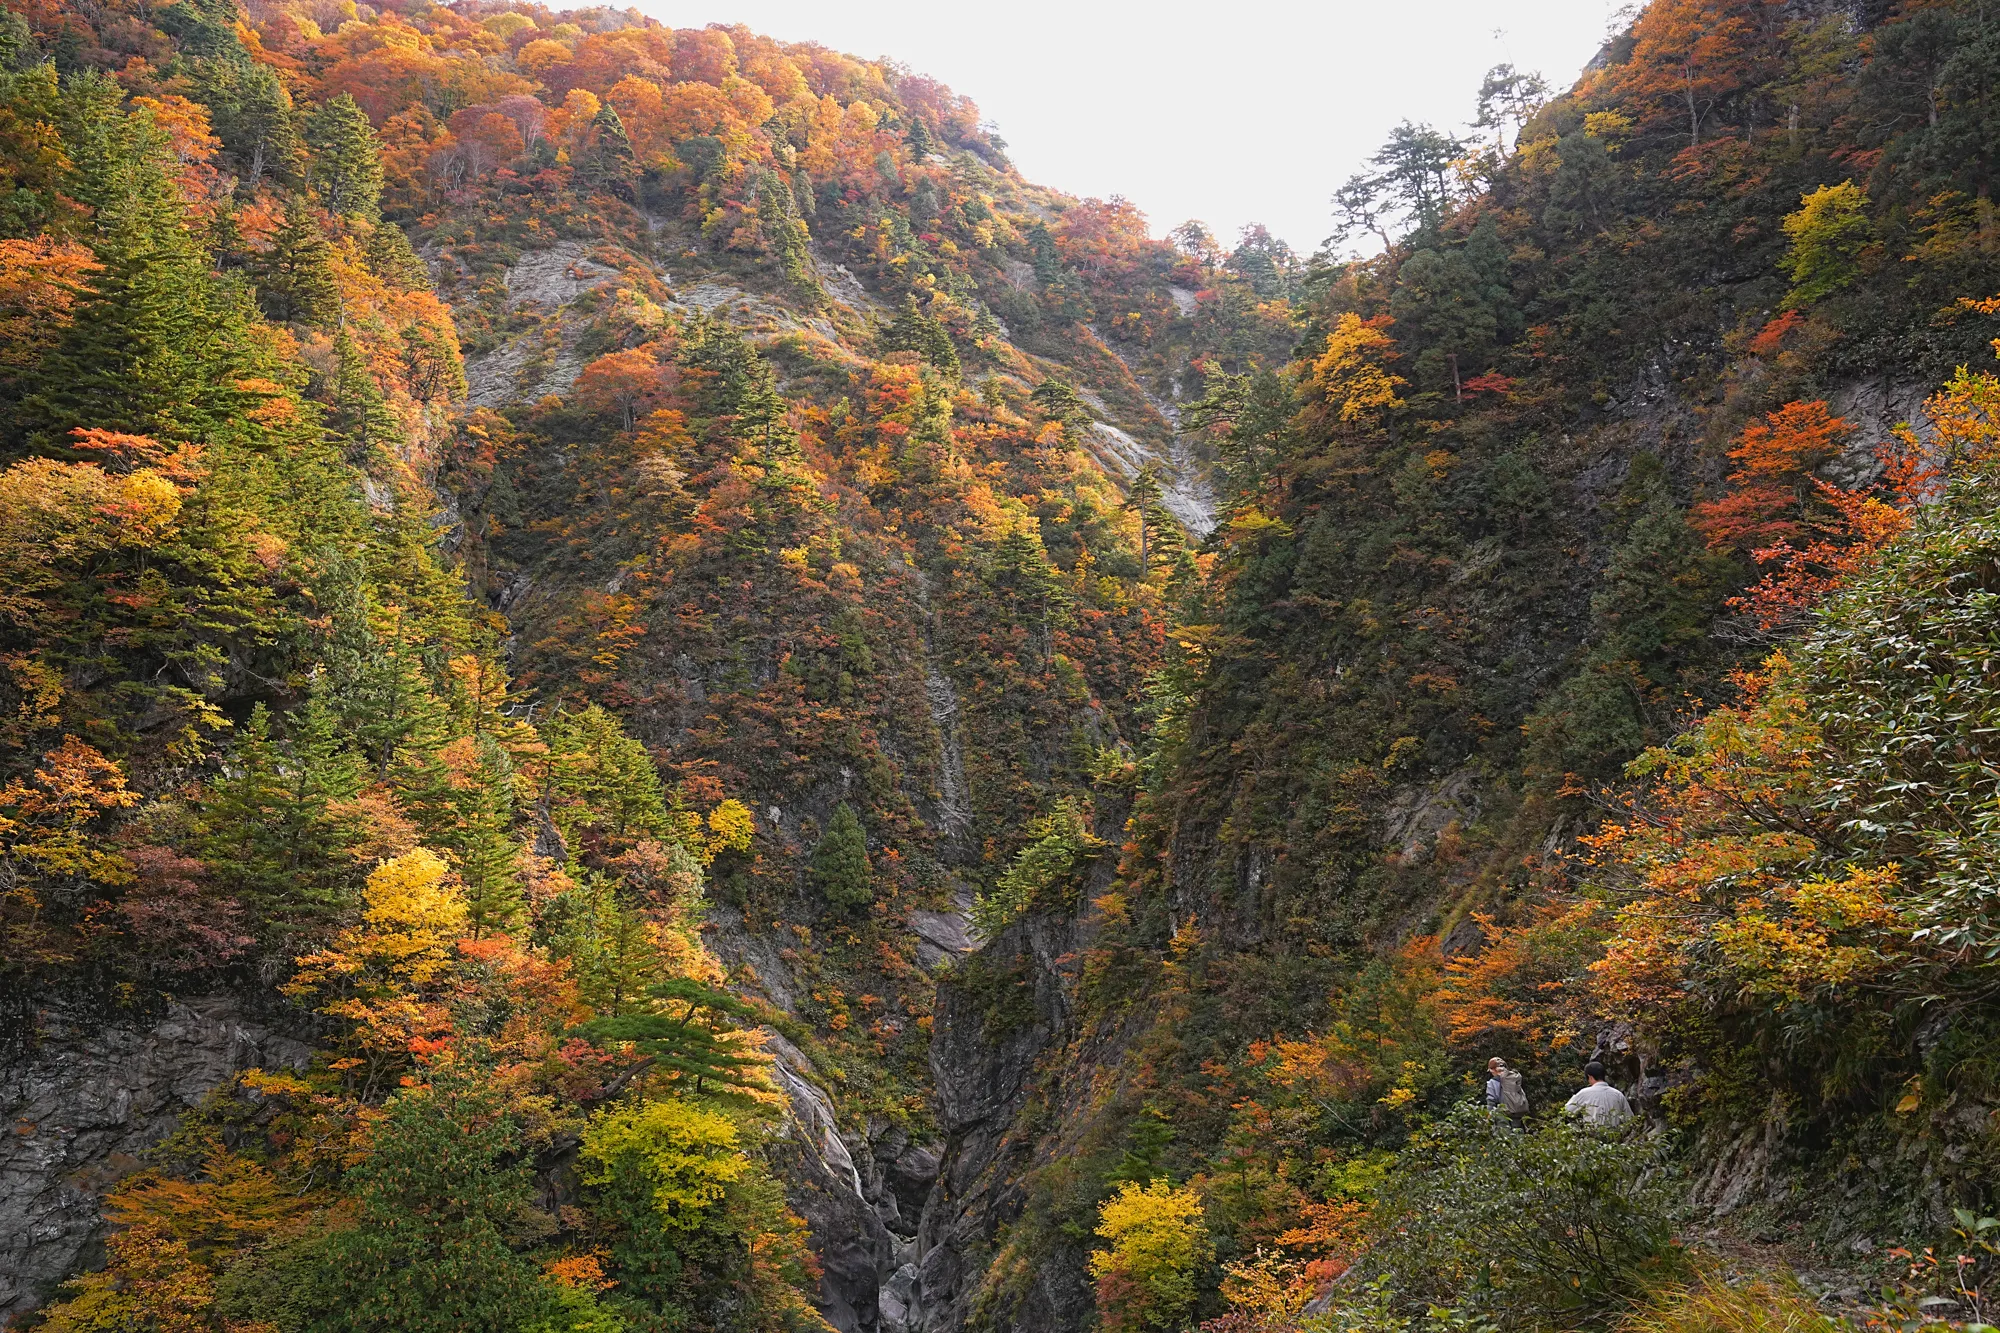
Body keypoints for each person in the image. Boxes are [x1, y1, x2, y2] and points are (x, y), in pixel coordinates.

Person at [1564, 1061, 1633, 1126]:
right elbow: (1630, 1119)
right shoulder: (1618, 1094)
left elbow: (1567, 1111)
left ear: (1590, 1077)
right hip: (1616, 1136)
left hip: (1592, 1136)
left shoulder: (1584, 1093)